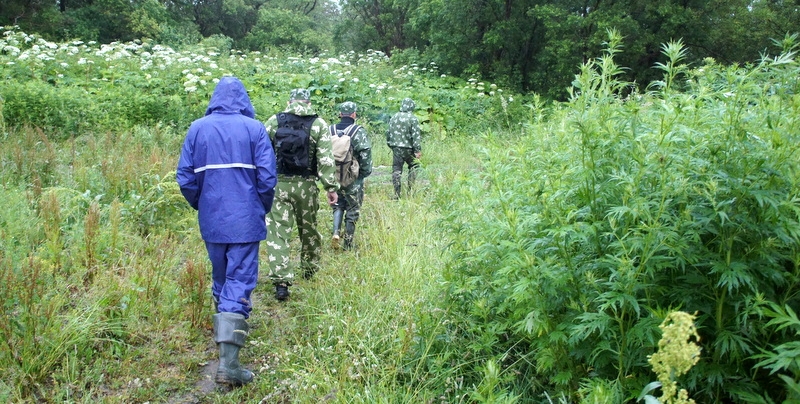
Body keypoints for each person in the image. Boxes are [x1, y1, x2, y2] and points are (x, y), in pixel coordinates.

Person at [176, 76, 277, 386]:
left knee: (221, 278)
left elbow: (185, 178)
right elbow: (267, 178)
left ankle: (224, 346)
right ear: (243, 99)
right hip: (245, 221)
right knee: (239, 281)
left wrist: (204, 204)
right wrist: (259, 207)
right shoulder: (254, 129)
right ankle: (229, 366)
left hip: (213, 221)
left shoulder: (197, 129)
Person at [264, 88, 339, 301]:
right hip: (306, 185)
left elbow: (262, 152)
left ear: (289, 101)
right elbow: (325, 159)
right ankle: (309, 269)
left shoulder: (273, 122)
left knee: (278, 233)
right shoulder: (318, 124)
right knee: (309, 229)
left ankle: (281, 282)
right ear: (308, 103)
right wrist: (330, 187)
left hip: (278, 185)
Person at [330, 101, 373, 250]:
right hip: (352, 176)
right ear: (354, 114)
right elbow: (365, 153)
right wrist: (363, 173)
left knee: (337, 205)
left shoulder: (330, 130)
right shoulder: (358, 131)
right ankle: (348, 244)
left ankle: (336, 232)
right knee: (353, 209)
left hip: (334, 175)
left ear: (340, 114)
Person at [386, 97, 422, 199]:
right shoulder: (413, 118)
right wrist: (417, 150)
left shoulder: (394, 117)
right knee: (414, 167)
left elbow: (388, 133)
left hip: (396, 148)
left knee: (397, 170)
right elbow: (416, 136)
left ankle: (396, 194)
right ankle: (410, 192)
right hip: (409, 149)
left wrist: (391, 145)